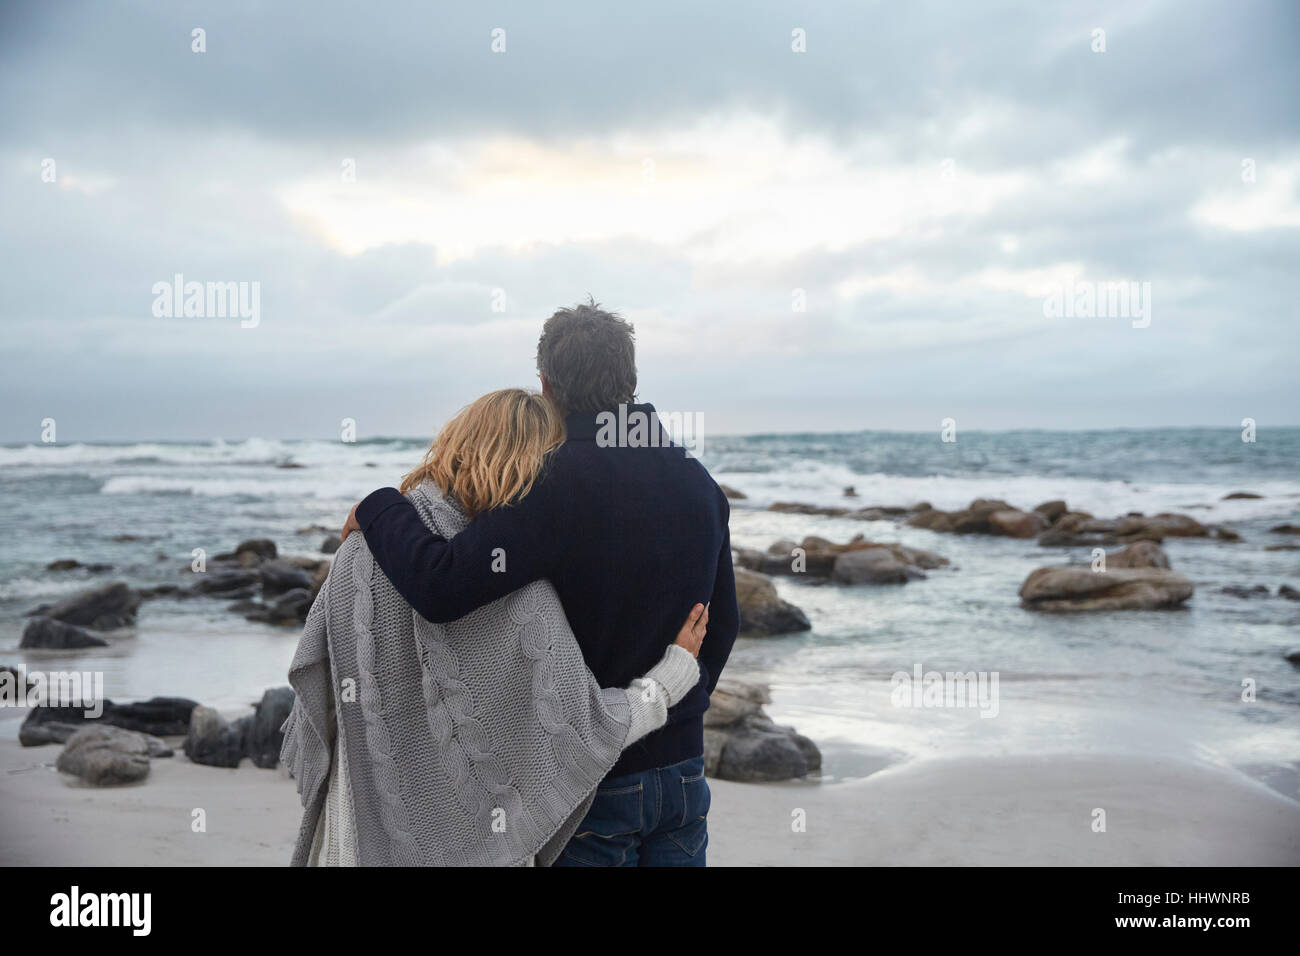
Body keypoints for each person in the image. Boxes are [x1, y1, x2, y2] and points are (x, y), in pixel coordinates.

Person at [341, 300, 738, 866]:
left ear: (547, 385)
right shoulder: (700, 484)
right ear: (630, 382)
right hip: (682, 776)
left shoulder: (556, 485)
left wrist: (380, 508)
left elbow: (440, 586)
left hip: (591, 783)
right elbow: (721, 628)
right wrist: (679, 714)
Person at [283, 388, 710, 866]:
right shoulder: (521, 593)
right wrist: (670, 680)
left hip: (354, 837)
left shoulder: (356, 554)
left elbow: (319, 698)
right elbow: (584, 730)